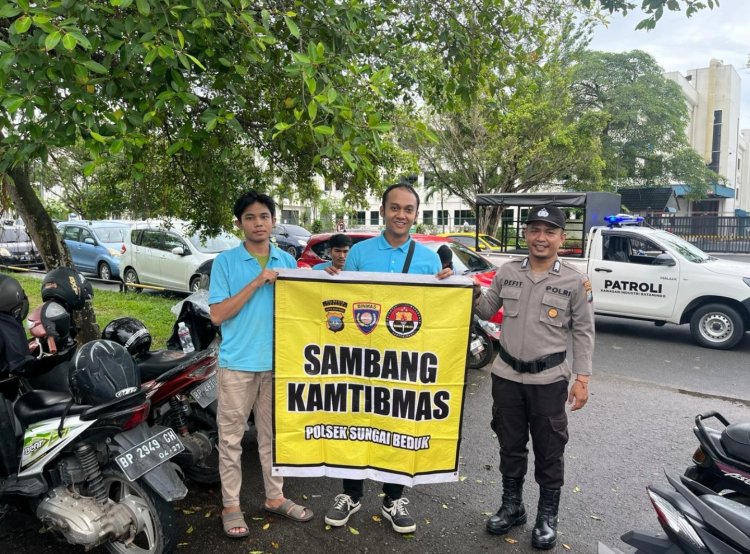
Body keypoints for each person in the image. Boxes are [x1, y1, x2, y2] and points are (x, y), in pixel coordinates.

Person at [321, 182, 453, 534]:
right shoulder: (360, 253)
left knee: (398, 425)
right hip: (362, 361)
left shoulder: (428, 259)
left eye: (408, 210)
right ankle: (350, 494)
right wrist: (330, 278)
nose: (401, 215)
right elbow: (345, 303)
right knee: (354, 421)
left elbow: (436, 313)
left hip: (404, 366)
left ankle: (394, 498)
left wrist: (448, 288)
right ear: (383, 211)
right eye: (395, 208)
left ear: (415, 215)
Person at [473, 205, 594, 550]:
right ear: (526, 234)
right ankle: (512, 507)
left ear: (561, 238)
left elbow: (584, 331)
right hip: (507, 375)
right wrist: (469, 291)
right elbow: (484, 311)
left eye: (549, 231)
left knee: (549, 448)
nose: (541, 238)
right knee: (509, 443)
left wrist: (582, 378)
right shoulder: (507, 272)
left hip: (549, 379)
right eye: (534, 230)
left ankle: (546, 516)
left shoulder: (574, 281)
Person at [209, 191, 313, 539]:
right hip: (237, 364)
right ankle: (230, 506)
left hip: (278, 366)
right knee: (232, 440)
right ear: (239, 223)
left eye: (264, 216)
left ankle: (274, 497)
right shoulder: (225, 262)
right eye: (250, 217)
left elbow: (303, 309)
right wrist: (257, 281)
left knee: (273, 438)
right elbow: (218, 314)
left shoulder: (288, 260)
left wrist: (325, 279)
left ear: (273, 220)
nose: (258, 223)